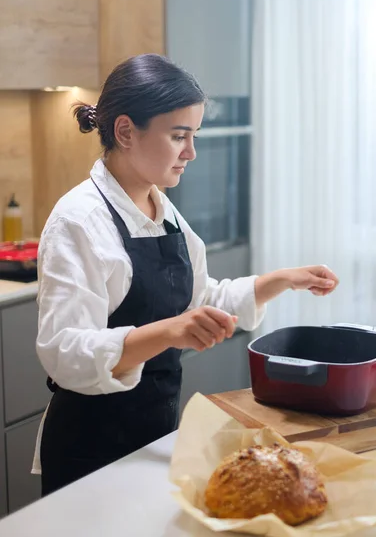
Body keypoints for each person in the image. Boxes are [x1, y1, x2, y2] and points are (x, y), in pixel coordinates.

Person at [32, 54, 339, 496]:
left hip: (153, 436)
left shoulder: (162, 209)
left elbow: (195, 302)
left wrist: (279, 281)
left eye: (193, 136)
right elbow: (66, 352)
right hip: (90, 451)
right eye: (179, 136)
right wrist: (169, 331)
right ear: (125, 131)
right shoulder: (78, 221)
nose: (191, 153)